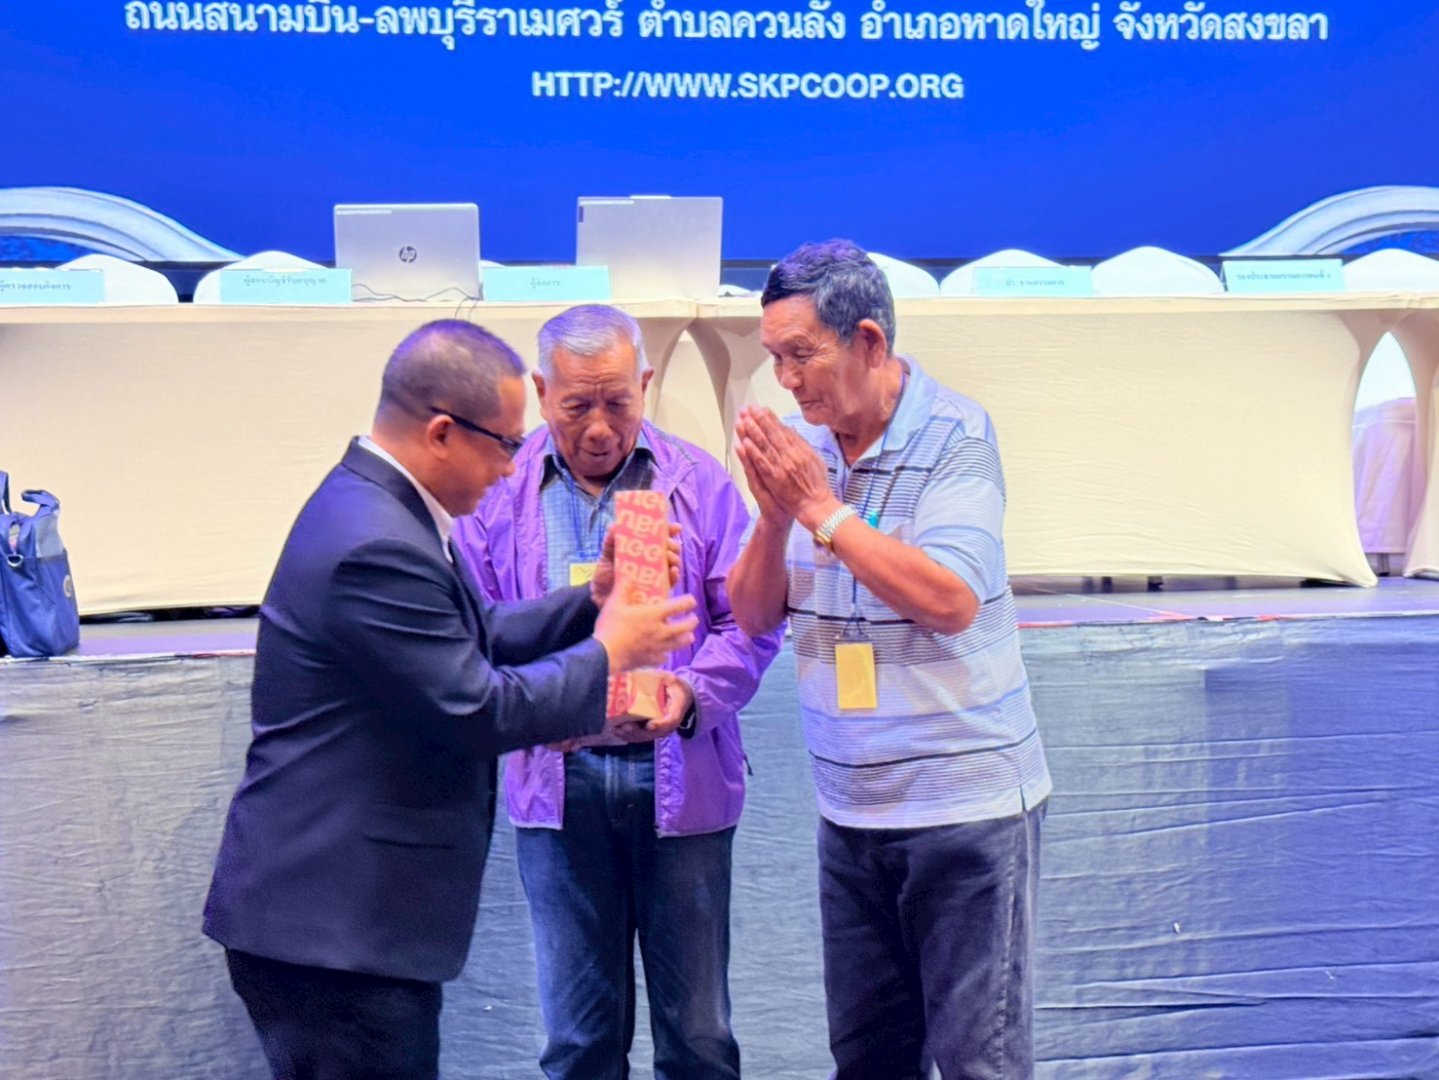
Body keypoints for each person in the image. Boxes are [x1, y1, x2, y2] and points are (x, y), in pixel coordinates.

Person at [203, 319, 698, 1080]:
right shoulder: (375, 541)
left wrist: (590, 601)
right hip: (334, 933)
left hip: (343, 924)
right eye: (505, 444)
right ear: (441, 433)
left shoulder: (379, 509)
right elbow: (476, 709)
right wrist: (611, 651)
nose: (511, 468)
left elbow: (475, 635)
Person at [726, 241, 1051, 1079]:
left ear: (868, 341)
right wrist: (773, 517)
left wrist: (819, 510)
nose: (787, 382)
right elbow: (753, 616)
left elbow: (949, 599)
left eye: (801, 356)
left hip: (964, 812)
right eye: (774, 359)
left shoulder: (956, 436)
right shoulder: (803, 450)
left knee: (977, 1062)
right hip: (851, 814)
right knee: (867, 1060)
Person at [454, 304, 780, 1080]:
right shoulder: (498, 491)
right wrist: (544, 706)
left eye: (617, 402)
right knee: (577, 1042)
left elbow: (750, 625)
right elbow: (474, 637)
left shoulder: (698, 482)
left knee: (698, 1038)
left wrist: (689, 695)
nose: (599, 428)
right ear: (541, 392)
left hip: (683, 782)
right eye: (576, 406)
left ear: (645, 383)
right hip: (555, 786)